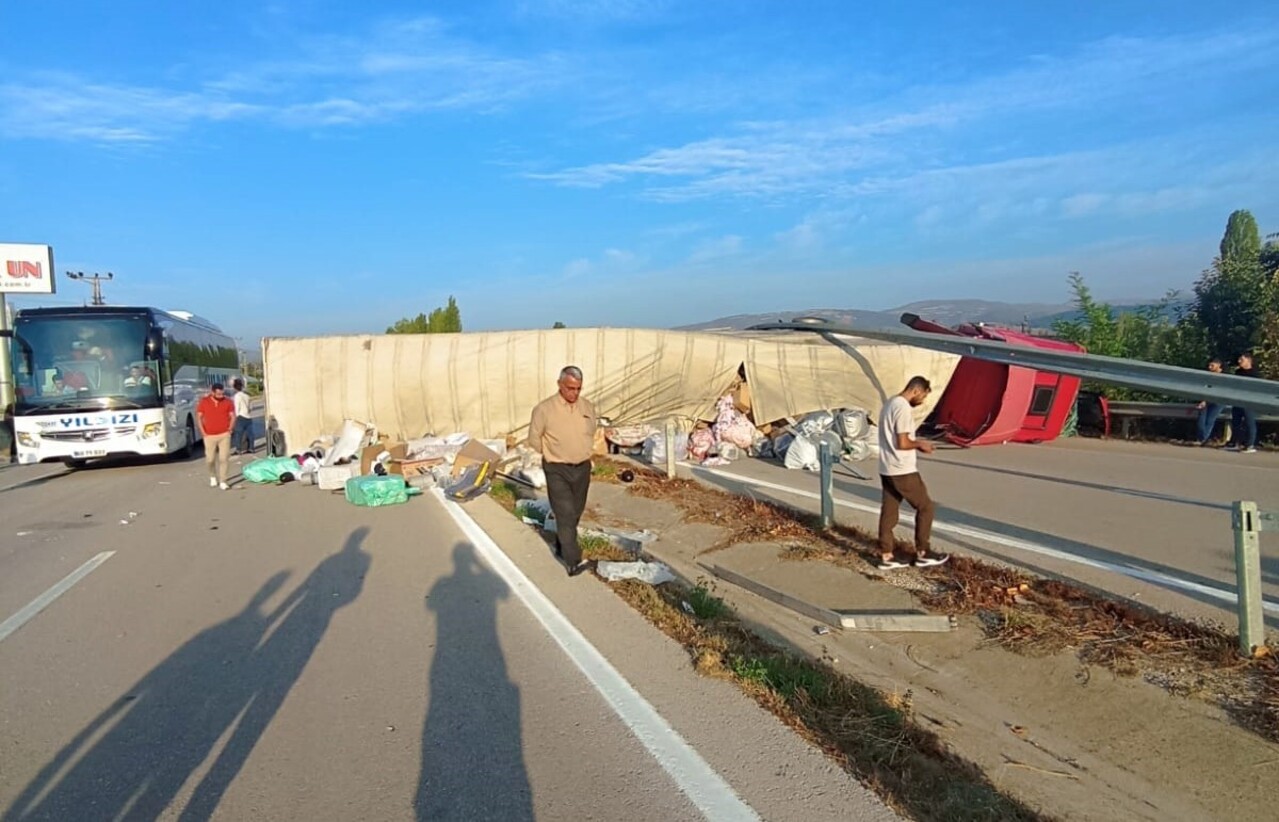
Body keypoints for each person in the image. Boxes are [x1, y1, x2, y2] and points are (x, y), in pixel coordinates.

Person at [528, 366, 597, 577]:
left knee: (575, 511)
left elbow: (591, 431)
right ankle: (573, 561)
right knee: (565, 513)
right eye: (570, 388)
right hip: (557, 468)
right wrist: (551, 453)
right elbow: (533, 438)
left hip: (582, 468)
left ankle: (561, 543)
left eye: (578, 389)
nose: (574, 393)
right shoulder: (544, 409)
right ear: (560, 385)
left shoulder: (587, 407)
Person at [876, 376, 949, 570]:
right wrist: (920, 444)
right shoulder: (903, 408)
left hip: (887, 467)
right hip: (903, 470)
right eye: (923, 396)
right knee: (926, 507)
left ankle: (887, 555)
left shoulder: (889, 403)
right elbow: (903, 442)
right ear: (916, 390)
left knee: (889, 512)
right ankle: (924, 552)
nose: (923, 400)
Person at [197, 383, 236, 490]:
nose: (220, 396)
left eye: (222, 393)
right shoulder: (204, 402)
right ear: (212, 392)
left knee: (224, 458)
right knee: (210, 459)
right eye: (218, 394)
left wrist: (230, 429)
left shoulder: (228, 402)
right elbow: (199, 417)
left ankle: (223, 480)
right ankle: (213, 476)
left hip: (224, 434)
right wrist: (203, 432)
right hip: (209, 435)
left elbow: (232, 416)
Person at [1227, 353, 1260, 454]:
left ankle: (1250, 444)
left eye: (1242, 359)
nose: (1239, 361)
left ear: (1248, 360)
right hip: (1237, 399)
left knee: (1249, 423)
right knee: (1236, 422)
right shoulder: (1238, 372)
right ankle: (1235, 443)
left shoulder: (1255, 374)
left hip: (1249, 401)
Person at [1195, 359, 1225, 445]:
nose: (1209, 368)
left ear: (1219, 365)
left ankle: (1202, 439)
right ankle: (1203, 438)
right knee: (1201, 419)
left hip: (1219, 400)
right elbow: (1205, 388)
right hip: (1206, 400)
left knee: (1210, 420)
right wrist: (1203, 400)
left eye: (1212, 365)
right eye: (1209, 366)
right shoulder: (1208, 375)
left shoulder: (1225, 377)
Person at [231, 378, 254, 456]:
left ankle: (238, 449)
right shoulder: (247, 396)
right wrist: (248, 412)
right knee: (250, 434)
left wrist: (236, 417)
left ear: (234, 387)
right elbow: (251, 407)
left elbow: (237, 407)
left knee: (238, 434)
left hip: (240, 416)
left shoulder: (237, 396)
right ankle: (251, 448)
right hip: (248, 416)